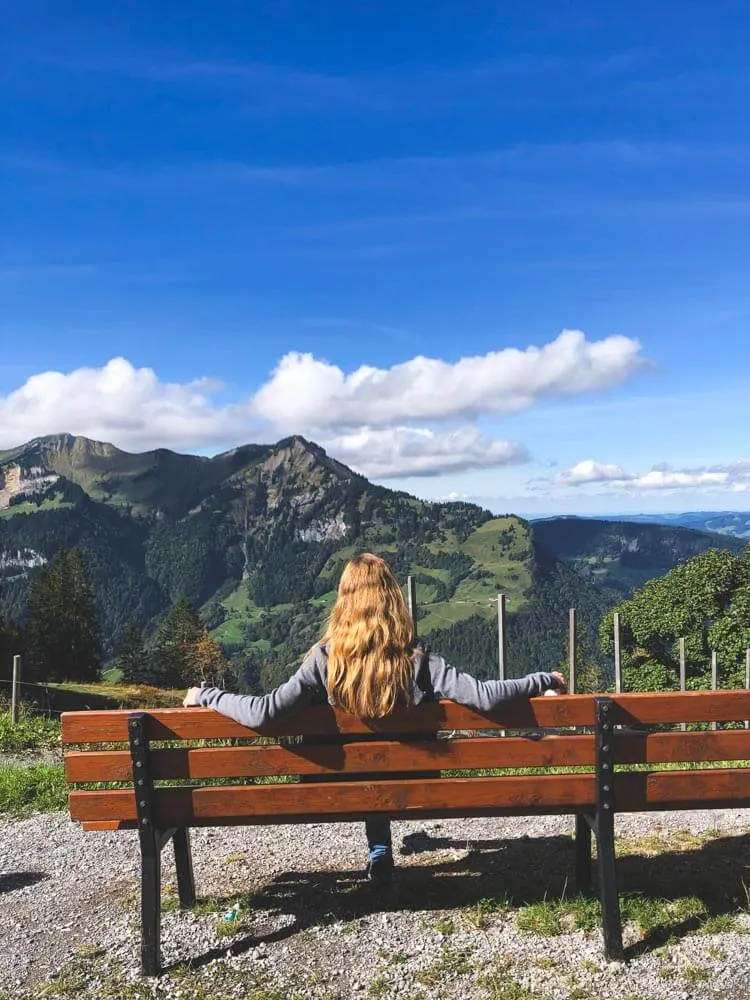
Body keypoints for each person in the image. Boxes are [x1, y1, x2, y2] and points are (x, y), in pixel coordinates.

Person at [184, 552, 565, 882]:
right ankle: (380, 848)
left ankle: (379, 850)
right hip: (414, 780)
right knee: (383, 757)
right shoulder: (417, 657)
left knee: (365, 758)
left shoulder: (323, 659)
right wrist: (544, 678)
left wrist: (207, 695)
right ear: (391, 599)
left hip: (342, 785)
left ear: (344, 600)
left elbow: (264, 714)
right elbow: (484, 697)